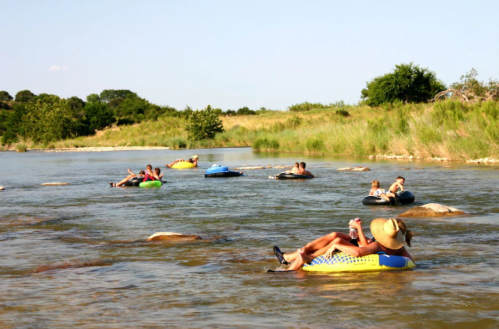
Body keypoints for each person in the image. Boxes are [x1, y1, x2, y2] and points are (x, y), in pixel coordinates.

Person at [274, 218, 413, 271]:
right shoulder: (400, 249)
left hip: (367, 255)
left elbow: (360, 252)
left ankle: (305, 257)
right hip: (370, 251)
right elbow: (411, 262)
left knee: (336, 241)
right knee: (335, 235)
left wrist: (337, 246)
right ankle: (290, 257)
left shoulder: (379, 246)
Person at [273, 219, 371, 270]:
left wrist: (359, 227)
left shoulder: (382, 243)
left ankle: (308, 257)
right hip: (358, 241)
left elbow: (365, 247)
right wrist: (355, 231)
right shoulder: (378, 235)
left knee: (338, 240)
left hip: (359, 248)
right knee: (334, 234)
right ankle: (300, 251)